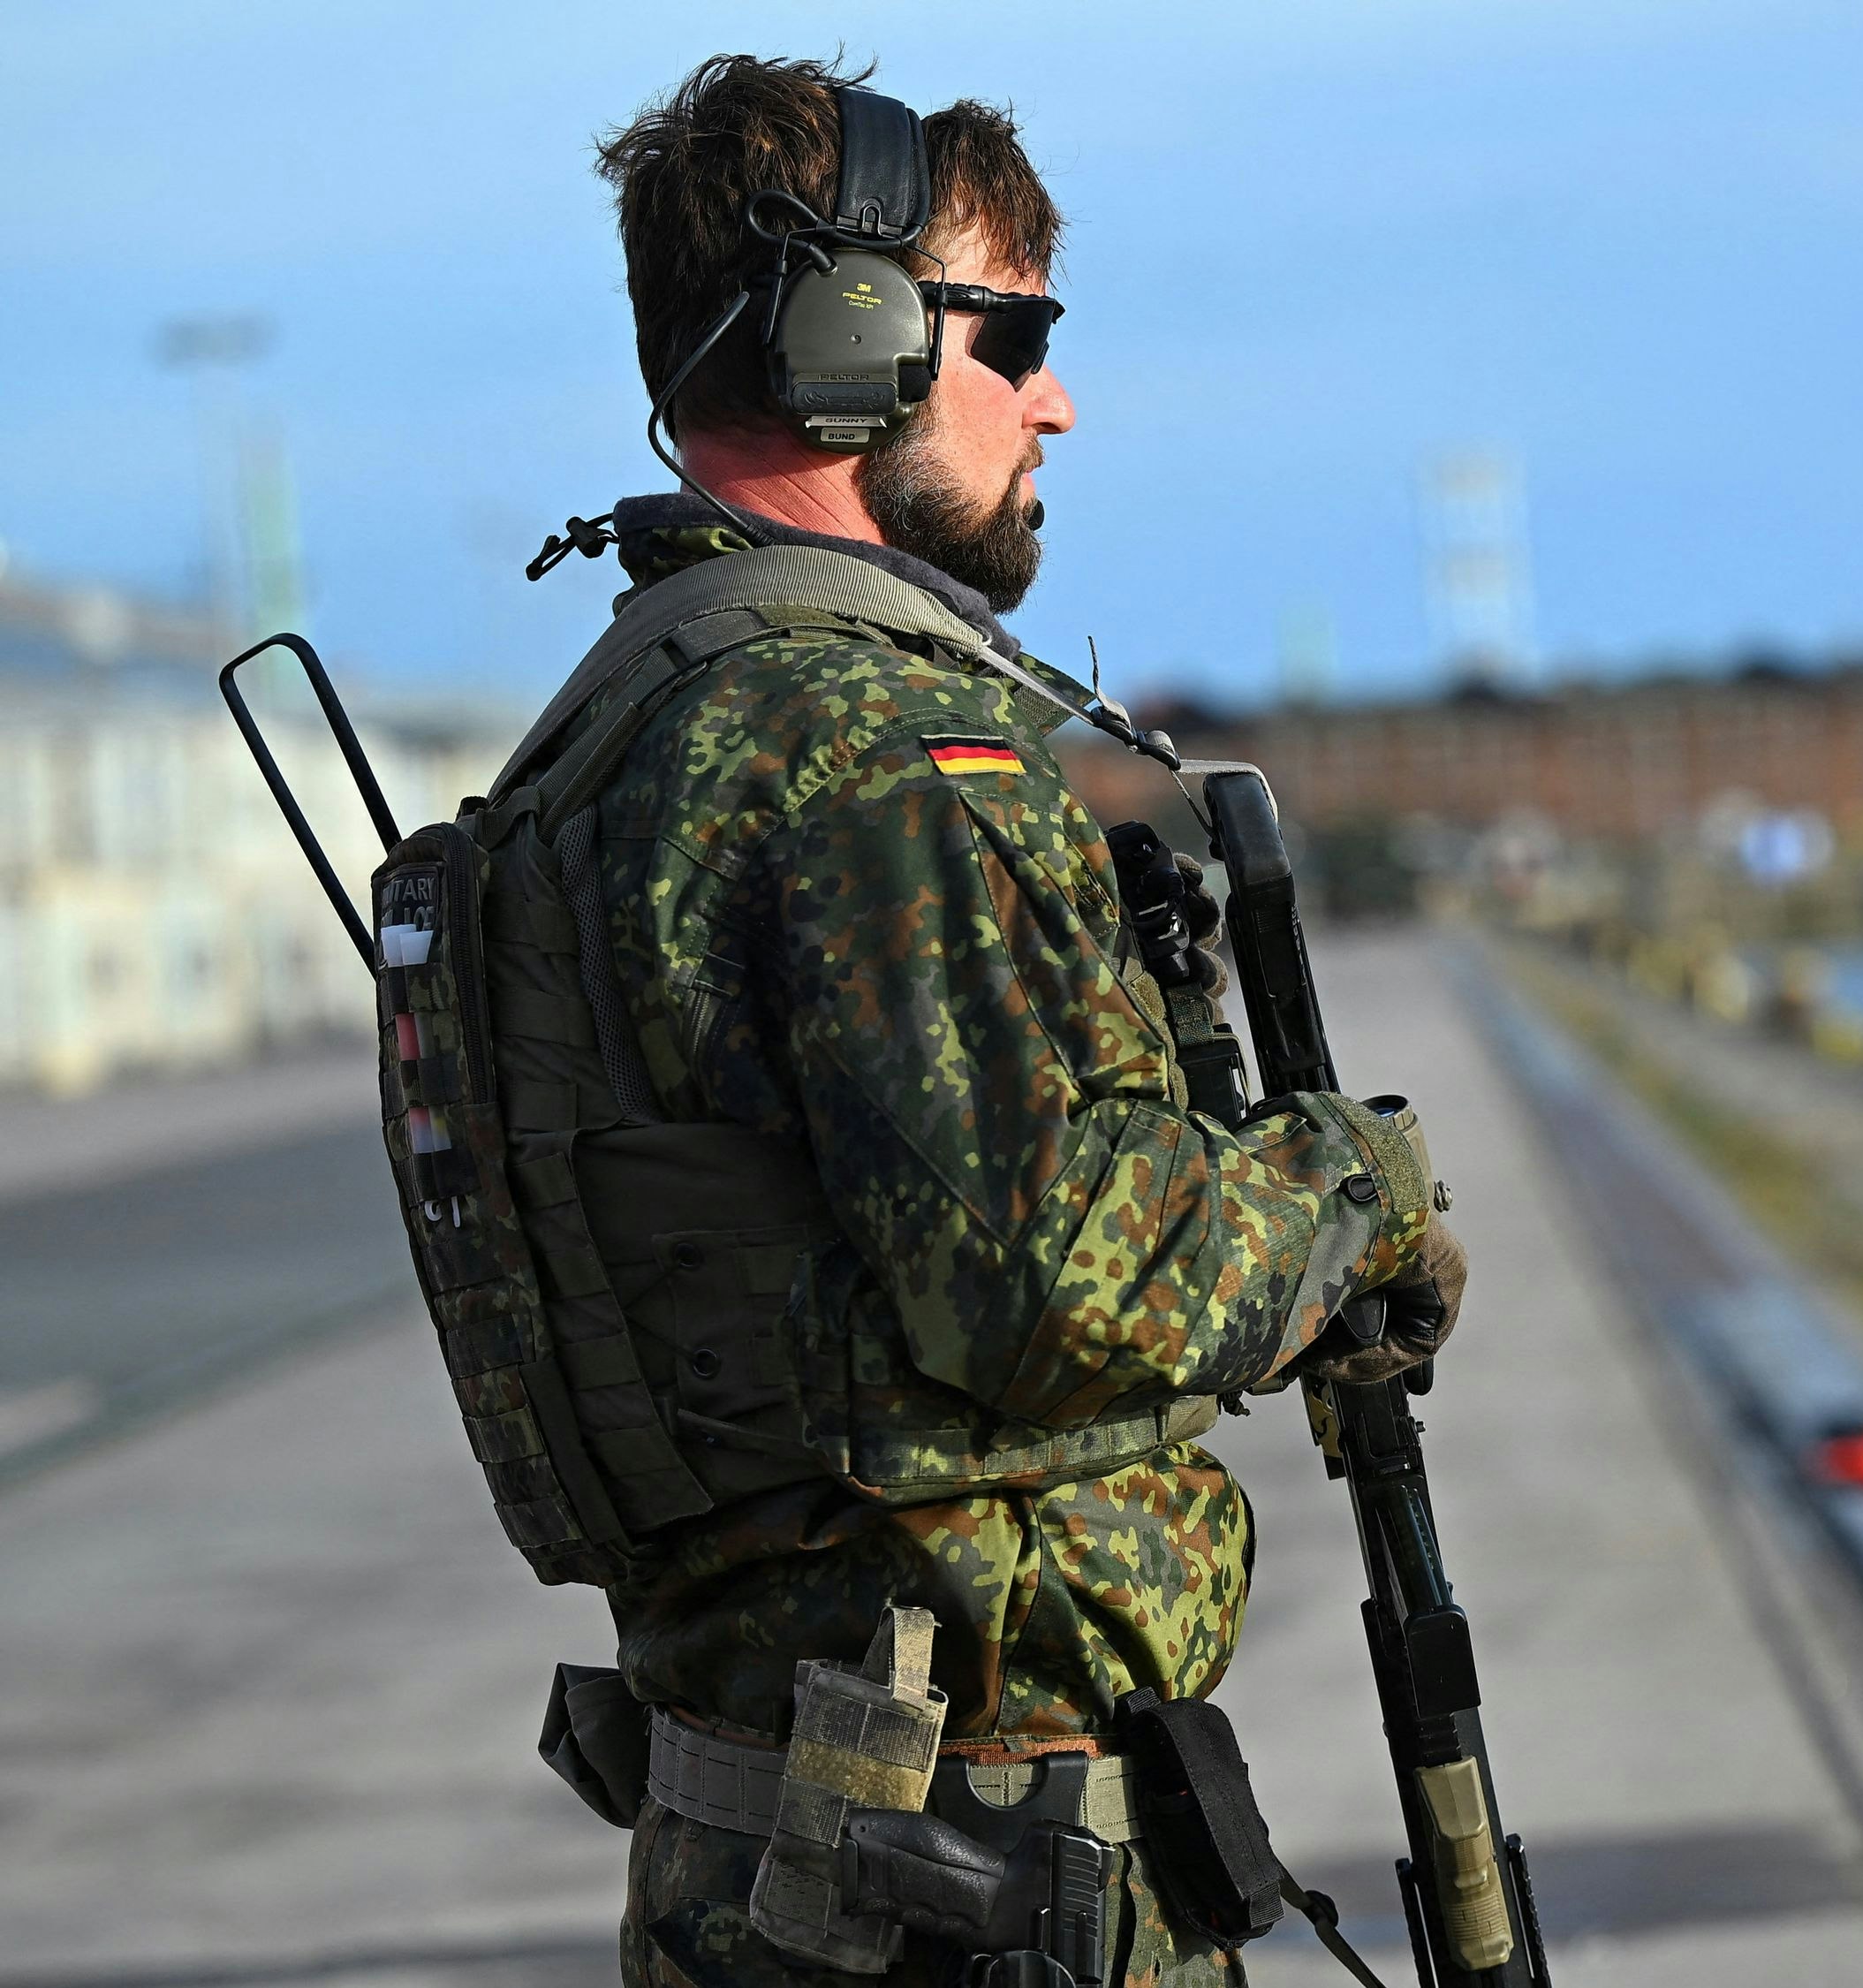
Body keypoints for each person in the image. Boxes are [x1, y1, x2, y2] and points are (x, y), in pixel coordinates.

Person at [496, 54, 1466, 1988]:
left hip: (757, 1833)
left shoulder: (601, 746)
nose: (1052, 395)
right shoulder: (871, 750)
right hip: (962, 1876)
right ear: (843, 345)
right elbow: (1055, 1279)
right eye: (1007, 332)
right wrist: (1355, 1189)